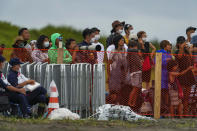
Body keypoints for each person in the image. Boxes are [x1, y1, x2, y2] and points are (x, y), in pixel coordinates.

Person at [175, 36, 195, 115]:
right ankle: (180, 113)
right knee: (181, 97)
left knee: (187, 97)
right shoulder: (177, 51)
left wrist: (189, 50)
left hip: (189, 75)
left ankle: (185, 113)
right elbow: (179, 57)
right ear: (178, 44)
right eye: (182, 43)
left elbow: (192, 60)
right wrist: (182, 47)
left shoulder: (186, 51)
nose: (183, 44)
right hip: (182, 76)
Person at [107, 35, 127, 104]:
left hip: (123, 74)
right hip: (114, 74)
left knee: (121, 92)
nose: (123, 41)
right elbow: (109, 64)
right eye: (121, 40)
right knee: (114, 92)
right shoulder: (113, 51)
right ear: (117, 41)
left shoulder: (125, 51)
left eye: (123, 40)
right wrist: (109, 76)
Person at [156, 40, 172, 114]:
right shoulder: (159, 52)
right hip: (161, 74)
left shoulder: (169, 53)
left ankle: (166, 110)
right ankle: (159, 110)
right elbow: (156, 62)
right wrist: (166, 60)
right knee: (160, 92)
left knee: (167, 92)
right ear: (165, 45)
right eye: (169, 45)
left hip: (168, 75)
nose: (170, 46)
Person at [126, 40, 143, 110]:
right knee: (135, 87)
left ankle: (133, 103)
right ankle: (130, 103)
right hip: (135, 72)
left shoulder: (134, 53)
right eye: (136, 46)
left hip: (138, 71)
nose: (137, 48)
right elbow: (138, 63)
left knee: (138, 88)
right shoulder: (132, 53)